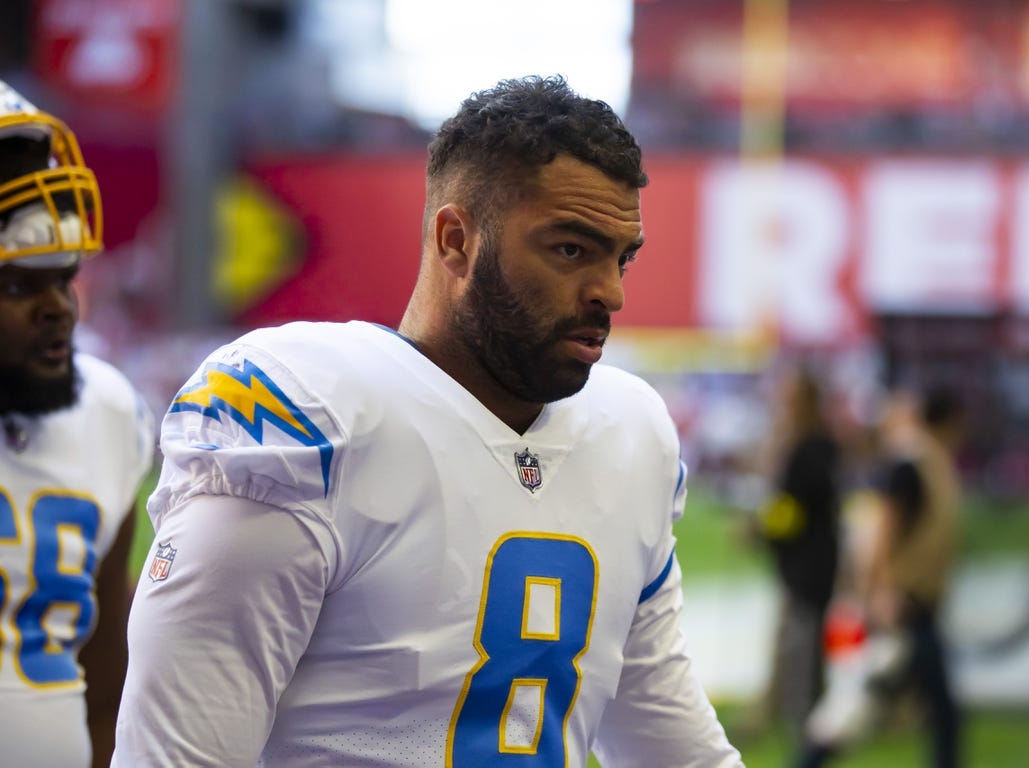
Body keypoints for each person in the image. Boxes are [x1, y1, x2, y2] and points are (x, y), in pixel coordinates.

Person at [112, 75, 744, 767]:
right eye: (571, 249)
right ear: (456, 241)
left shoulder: (631, 431)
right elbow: (180, 755)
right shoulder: (307, 417)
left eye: (621, 257)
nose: (610, 292)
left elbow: (668, 738)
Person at [0, 80, 155, 768]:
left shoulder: (108, 410)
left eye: (63, 277)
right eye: (17, 285)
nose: (60, 308)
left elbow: (105, 675)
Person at [798, 384, 965, 768]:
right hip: (896, 605)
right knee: (853, 705)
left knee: (874, 704)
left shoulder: (918, 462)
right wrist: (882, 591)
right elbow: (883, 533)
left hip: (904, 603)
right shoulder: (912, 463)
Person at [752, 364, 841, 759]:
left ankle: (806, 742)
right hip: (819, 564)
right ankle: (813, 733)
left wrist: (757, 528)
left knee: (799, 657)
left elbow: (791, 510)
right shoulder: (824, 443)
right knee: (807, 654)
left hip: (806, 570)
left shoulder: (806, 448)